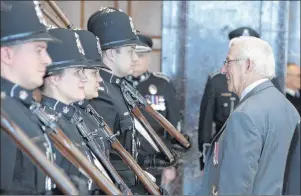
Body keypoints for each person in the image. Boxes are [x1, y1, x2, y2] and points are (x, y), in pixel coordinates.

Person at [87, 7, 175, 194]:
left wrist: (147, 161)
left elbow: (123, 150)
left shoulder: (118, 87)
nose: (135, 58)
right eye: (130, 51)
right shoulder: (99, 93)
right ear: (111, 54)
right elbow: (102, 161)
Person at [200, 36, 300, 195]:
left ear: (247, 65)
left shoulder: (245, 115)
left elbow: (235, 188)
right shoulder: (289, 108)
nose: (223, 70)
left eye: (228, 62)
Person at [0, 1, 62, 194]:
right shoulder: (6, 112)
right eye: (38, 50)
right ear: (7, 54)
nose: (48, 60)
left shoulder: (24, 108)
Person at [198, 27, 280, 170]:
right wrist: (206, 159)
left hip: (259, 155)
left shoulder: (270, 81)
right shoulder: (217, 80)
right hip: (224, 153)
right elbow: (206, 123)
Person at [40, 27, 106, 194]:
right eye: (78, 72)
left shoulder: (73, 118)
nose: (84, 78)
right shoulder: (47, 125)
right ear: (54, 78)